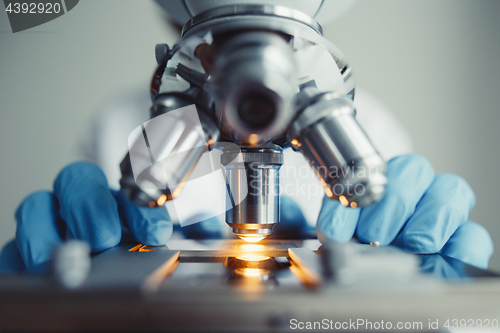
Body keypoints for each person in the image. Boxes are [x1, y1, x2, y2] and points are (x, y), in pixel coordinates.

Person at [0, 0, 494, 273]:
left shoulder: (370, 126)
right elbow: (89, 286)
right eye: (223, 41)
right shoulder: (118, 123)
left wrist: (434, 292)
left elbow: (385, 288)